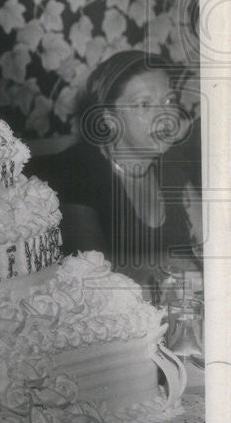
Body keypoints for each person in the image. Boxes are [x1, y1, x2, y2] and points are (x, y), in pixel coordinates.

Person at [29, 50, 202, 292]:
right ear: (110, 119)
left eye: (169, 101)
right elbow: (89, 273)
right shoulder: (77, 172)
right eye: (144, 104)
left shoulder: (171, 163)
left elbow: (211, 240)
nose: (165, 116)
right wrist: (169, 266)